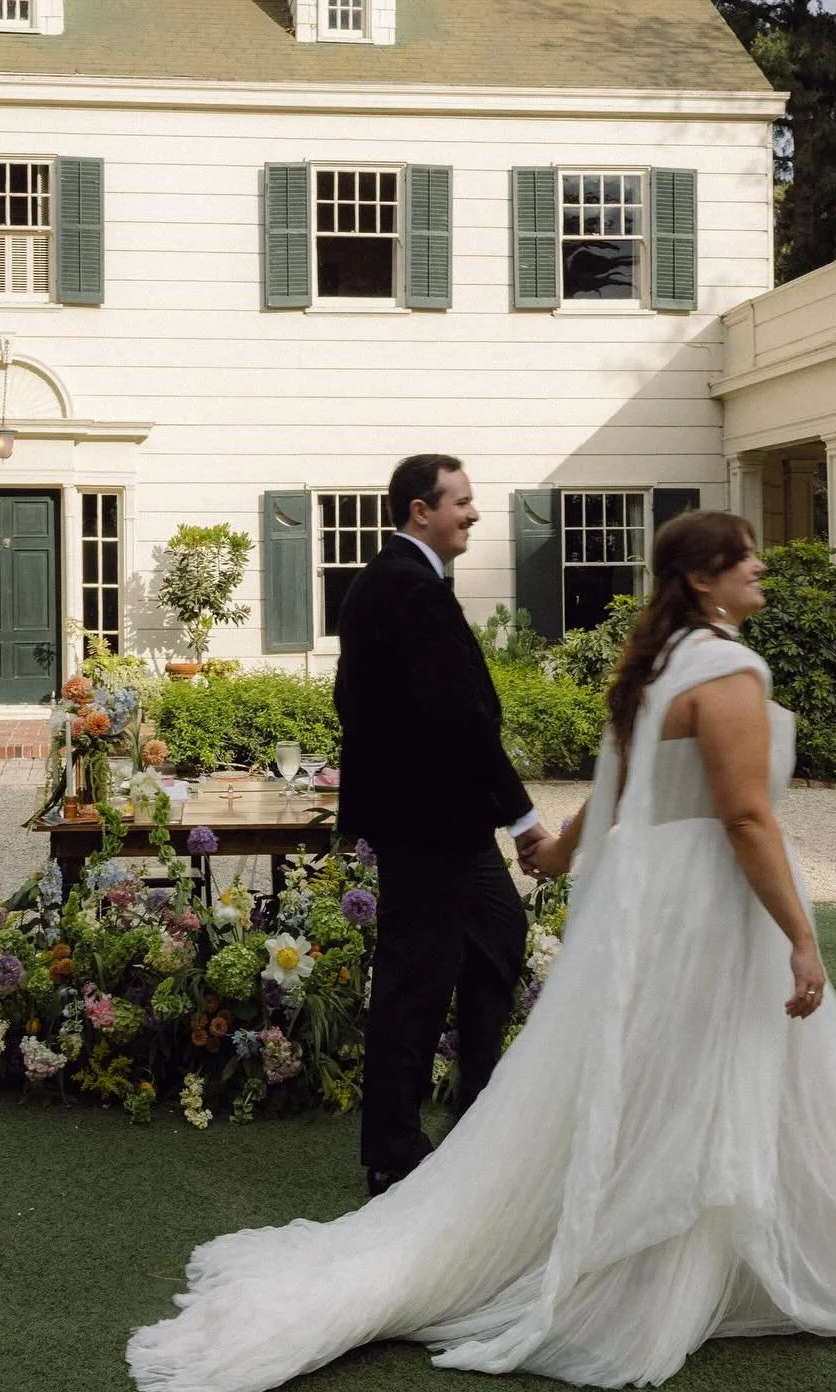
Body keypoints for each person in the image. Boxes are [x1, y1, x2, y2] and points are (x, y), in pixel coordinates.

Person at [128, 509, 836, 1392]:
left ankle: (702, 1248)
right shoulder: (725, 669)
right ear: (701, 581)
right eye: (740, 558)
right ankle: (658, 1261)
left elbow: (620, 788)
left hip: (655, 903)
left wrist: (558, 852)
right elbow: (746, 815)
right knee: (704, 1067)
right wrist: (801, 937)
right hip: (705, 905)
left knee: (663, 1071)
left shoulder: (664, 665)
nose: (759, 568)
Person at [334, 453, 548, 1194]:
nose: (475, 513)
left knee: (498, 935)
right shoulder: (405, 586)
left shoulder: (401, 581)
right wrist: (522, 818)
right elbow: (459, 718)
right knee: (414, 980)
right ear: (420, 510)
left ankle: (478, 1109)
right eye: (461, 501)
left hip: (444, 819)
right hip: (428, 823)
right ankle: (393, 1153)